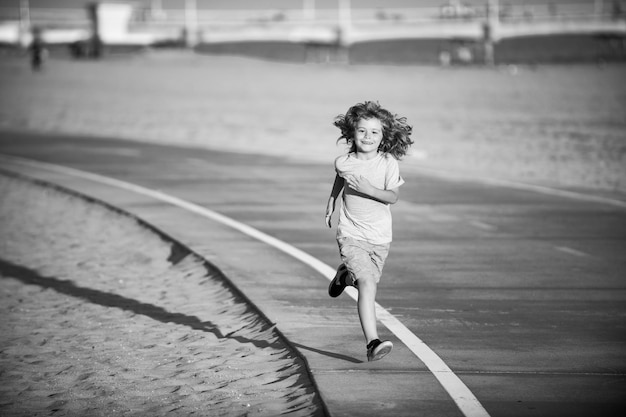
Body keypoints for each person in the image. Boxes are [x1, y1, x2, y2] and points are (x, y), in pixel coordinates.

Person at [324, 101, 413, 362]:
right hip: (351, 234)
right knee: (367, 285)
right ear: (352, 132)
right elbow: (340, 177)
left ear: (383, 136)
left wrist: (368, 189)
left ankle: (345, 277)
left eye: (374, 132)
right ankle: (372, 342)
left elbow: (393, 197)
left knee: (367, 283)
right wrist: (331, 201)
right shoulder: (343, 161)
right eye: (362, 131)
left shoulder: (387, 163)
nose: (368, 137)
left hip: (380, 239)